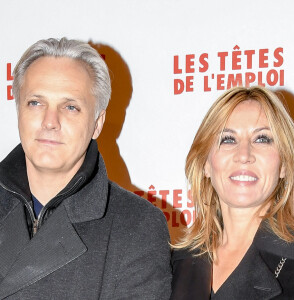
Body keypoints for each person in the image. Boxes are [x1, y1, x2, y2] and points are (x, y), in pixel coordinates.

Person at [0, 37, 171, 299]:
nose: (50, 121)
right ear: (18, 111)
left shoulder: (136, 227)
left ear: (98, 122)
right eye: (36, 102)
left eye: (70, 107)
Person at [171, 86, 294, 299]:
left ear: (284, 164)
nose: (244, 155)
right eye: (228, 139)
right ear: (205, 164)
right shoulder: (172, 265)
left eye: (262, 139)